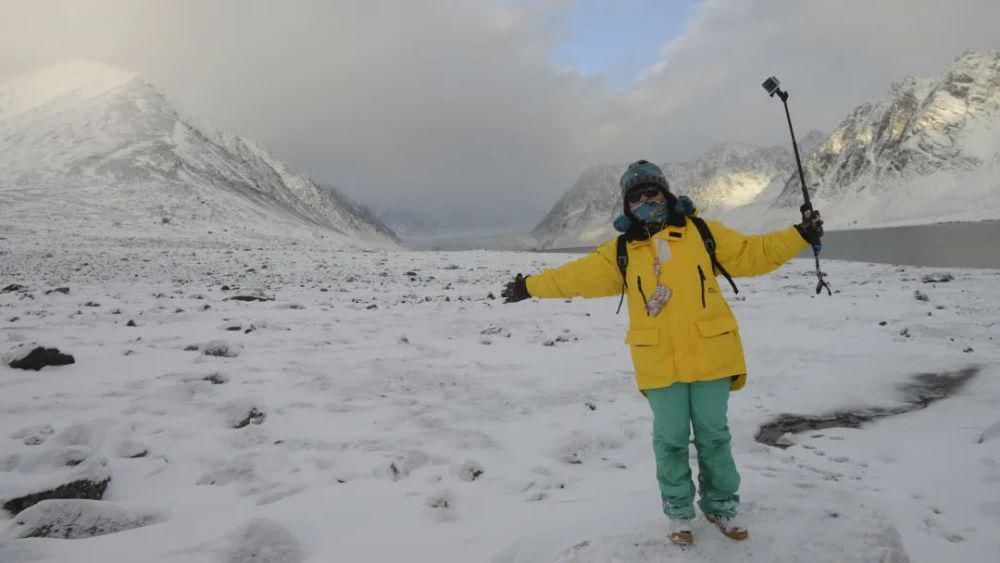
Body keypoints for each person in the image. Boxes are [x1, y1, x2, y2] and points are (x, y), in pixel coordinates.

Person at [500, 159, 824, 546]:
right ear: (626, 205)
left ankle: (722, 506)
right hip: (659, 361)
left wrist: (800, 235)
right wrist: (530, 286)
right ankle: (678, 513)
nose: (645, 199)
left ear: (666, 192)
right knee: (669, 440)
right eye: (635, 195)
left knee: (714, 437)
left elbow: (756, 253)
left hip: (710, 353)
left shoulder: (703, 233)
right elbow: (574, 276)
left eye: (651, 190)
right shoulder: (621, 251)